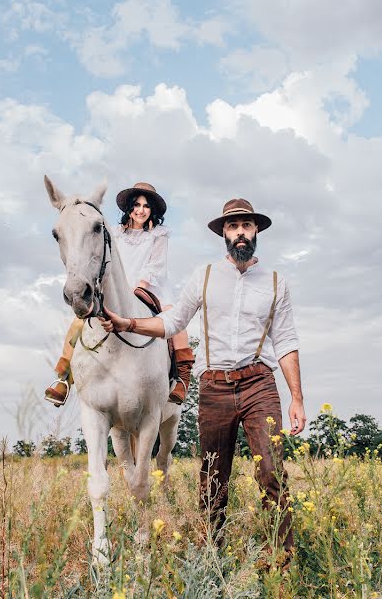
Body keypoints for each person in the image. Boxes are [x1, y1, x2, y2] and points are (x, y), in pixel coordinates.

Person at [99, 198, 307, 565]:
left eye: (246, 225)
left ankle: (282, 557)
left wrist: (297, 398)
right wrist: (127, 323)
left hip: (260, 381)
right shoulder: (205, 276)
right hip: (214, 385)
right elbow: (172, 322)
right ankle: (213, 553)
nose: (240, 232)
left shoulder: (277, 283)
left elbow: (286, 341)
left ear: (256, 231)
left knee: (272, 469)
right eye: (233, 226)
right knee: (213, 473)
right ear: (223, 234)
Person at [44, 182, 195, 406]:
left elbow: (156, 266)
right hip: (118, 288)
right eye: (136, 205)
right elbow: (107, 261)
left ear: (152, 209)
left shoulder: (159, 235)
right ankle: (63, 377)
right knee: (79, 322)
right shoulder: (114, 233)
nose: (141, 210)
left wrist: (139, 287)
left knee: (175, 321)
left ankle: (182, 378)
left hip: (149, 288)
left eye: (146, 206)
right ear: (129, 209)